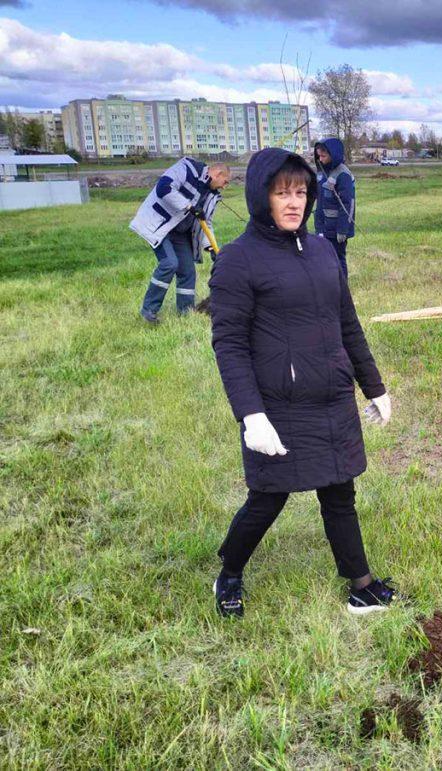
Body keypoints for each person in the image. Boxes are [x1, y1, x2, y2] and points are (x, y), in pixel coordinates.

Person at [208, 147, 395, 618]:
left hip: (331, 397)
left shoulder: (322, 251)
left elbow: (347, 323)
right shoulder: (237, 260)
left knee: (340, 491)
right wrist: (251, 415)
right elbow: (229, 345)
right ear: (260, 197)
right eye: (280, 192)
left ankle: (361, 585)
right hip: (278, 406)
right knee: (269, 498)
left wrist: (374, 386)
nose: (293, 202)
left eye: (300, 191)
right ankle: (229, 572)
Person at [130, 158, 230, 322]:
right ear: (218, 173)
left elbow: (206, 222)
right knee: (169, 263)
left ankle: (186, 313)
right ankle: (148, 311)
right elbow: (164, 188)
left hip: (181, 234)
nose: (225, 187)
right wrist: (189, 206)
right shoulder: (186, 168)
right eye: (225, 182)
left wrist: (211, 247)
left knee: (188, 271)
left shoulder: (213, 196)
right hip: (160, 227)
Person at [313, 138, 356, 277]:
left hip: (337, 229)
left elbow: (347, 204)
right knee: (325, 260)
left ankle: (342, 287)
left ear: (333, 154)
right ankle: (331, 285)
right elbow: (319, 200)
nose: (320, 158)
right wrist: (319, 228)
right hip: (323, 227)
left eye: (323, 156)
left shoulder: (343, 175)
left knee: (338, 259)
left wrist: (342, 230)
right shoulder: (322, 173)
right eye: (318, 155)